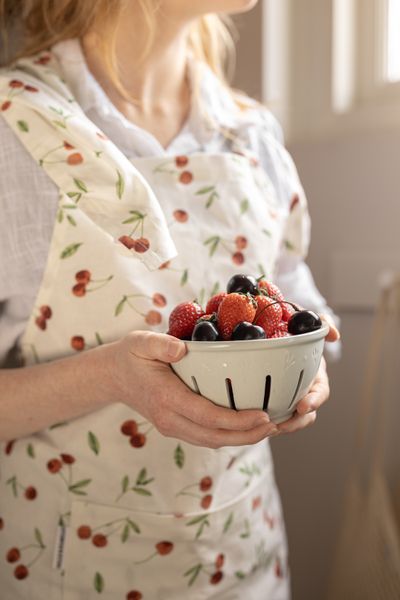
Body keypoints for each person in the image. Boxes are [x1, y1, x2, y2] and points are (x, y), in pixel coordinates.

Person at [0, 1, 340, 598]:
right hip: (67, 568)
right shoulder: (14, 129)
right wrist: (111, 376)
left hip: (243, 558)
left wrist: (307, 365)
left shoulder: (249, 132)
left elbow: (295, 294)